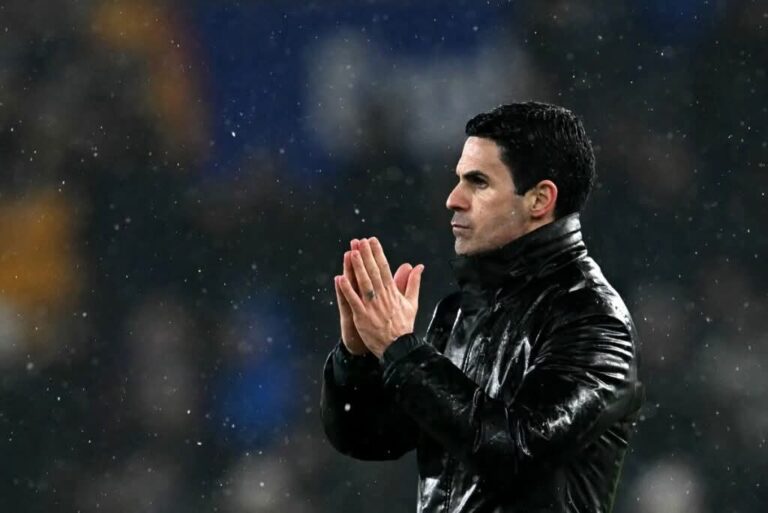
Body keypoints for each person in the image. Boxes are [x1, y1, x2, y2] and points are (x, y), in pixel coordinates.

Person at [321, 102, 644, 513]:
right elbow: (371, 438)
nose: (453, 199)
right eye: (459, 180)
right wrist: (358, 358)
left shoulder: (594, 322)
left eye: (478, 182)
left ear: (539, 199)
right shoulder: (458, 311)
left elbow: (518, 452)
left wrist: (401, 350)